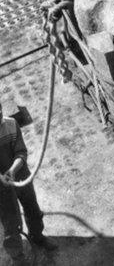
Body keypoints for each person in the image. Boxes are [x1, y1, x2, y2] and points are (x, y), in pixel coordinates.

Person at [0, 102, 56, 266]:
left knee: (32, 208)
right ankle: (18, 259)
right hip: (1, 187)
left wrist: (12, 170)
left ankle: (37, 236)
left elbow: (21, 152)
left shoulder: (11, 124)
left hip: (20, 175)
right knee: (10, 223)